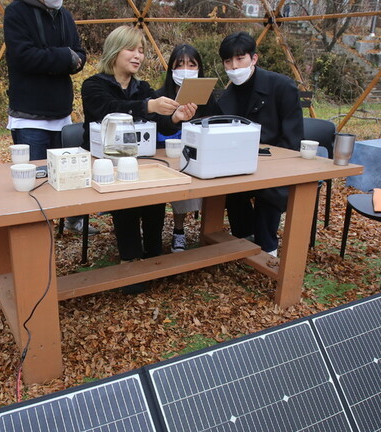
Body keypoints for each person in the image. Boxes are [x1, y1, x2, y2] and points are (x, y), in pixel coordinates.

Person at [81, 26, 196, 293]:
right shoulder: (94, 85)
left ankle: (154, 254)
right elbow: (107, 110)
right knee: (127, 202)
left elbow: (162, 125)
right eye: (131, 49)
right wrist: (147, 106)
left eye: (142, 51)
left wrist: (176, 117)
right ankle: (130, 260)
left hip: (140, 159)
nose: (138, 56)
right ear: (114, 50)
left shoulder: (142, 87)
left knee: (154, 195)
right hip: (104, 162)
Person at [3, 0, 92, 233]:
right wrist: (64, 58)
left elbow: (80, 54)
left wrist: (64, 57)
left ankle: (74, 221)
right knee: (35, 180)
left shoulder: (64, 15)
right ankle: (35, 230)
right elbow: (24, 56)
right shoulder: (16, 12)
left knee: (67, 175)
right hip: (29, 115)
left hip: (61, 112)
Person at [216, 31, 304, 256]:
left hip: (278, 162)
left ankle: (268, 246)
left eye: (240, 59)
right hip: (239, 164)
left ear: (253, 59)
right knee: (229, 185)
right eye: (228, 61)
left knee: (269, 188)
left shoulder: (282, 86)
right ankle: (243, 237)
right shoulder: (225, 97)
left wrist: (265, 162)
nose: (234, 67)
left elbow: (292, 138)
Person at [156, 44, 220, 252]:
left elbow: (216, 124)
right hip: (163, 157)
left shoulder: (207, 99)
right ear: (171, 69)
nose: (186, 69)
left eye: (191, 65)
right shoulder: (161, 97)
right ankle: (175, 230)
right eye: (180, 64)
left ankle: (201, 231)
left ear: (199, 69)